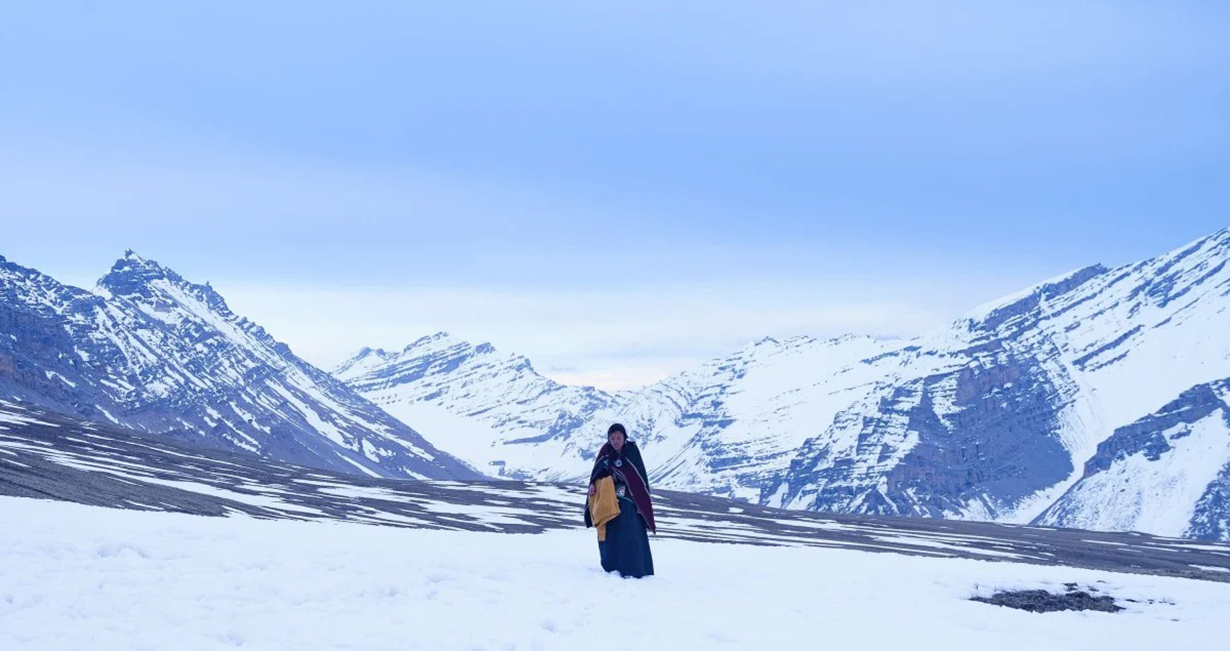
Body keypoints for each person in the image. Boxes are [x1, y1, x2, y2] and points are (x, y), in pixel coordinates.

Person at [584, 423, 655, 578]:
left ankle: (636, 569)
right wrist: (593, 485)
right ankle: (613, 566)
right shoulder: (605, 452)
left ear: (624, 438)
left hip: (630, 502)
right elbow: (596, 473)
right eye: (613, 438)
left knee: (631, 533)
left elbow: (638, 479)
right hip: (609, 500)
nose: (616, 441)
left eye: (619, 437)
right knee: (611, 533)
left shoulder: (632, 452)